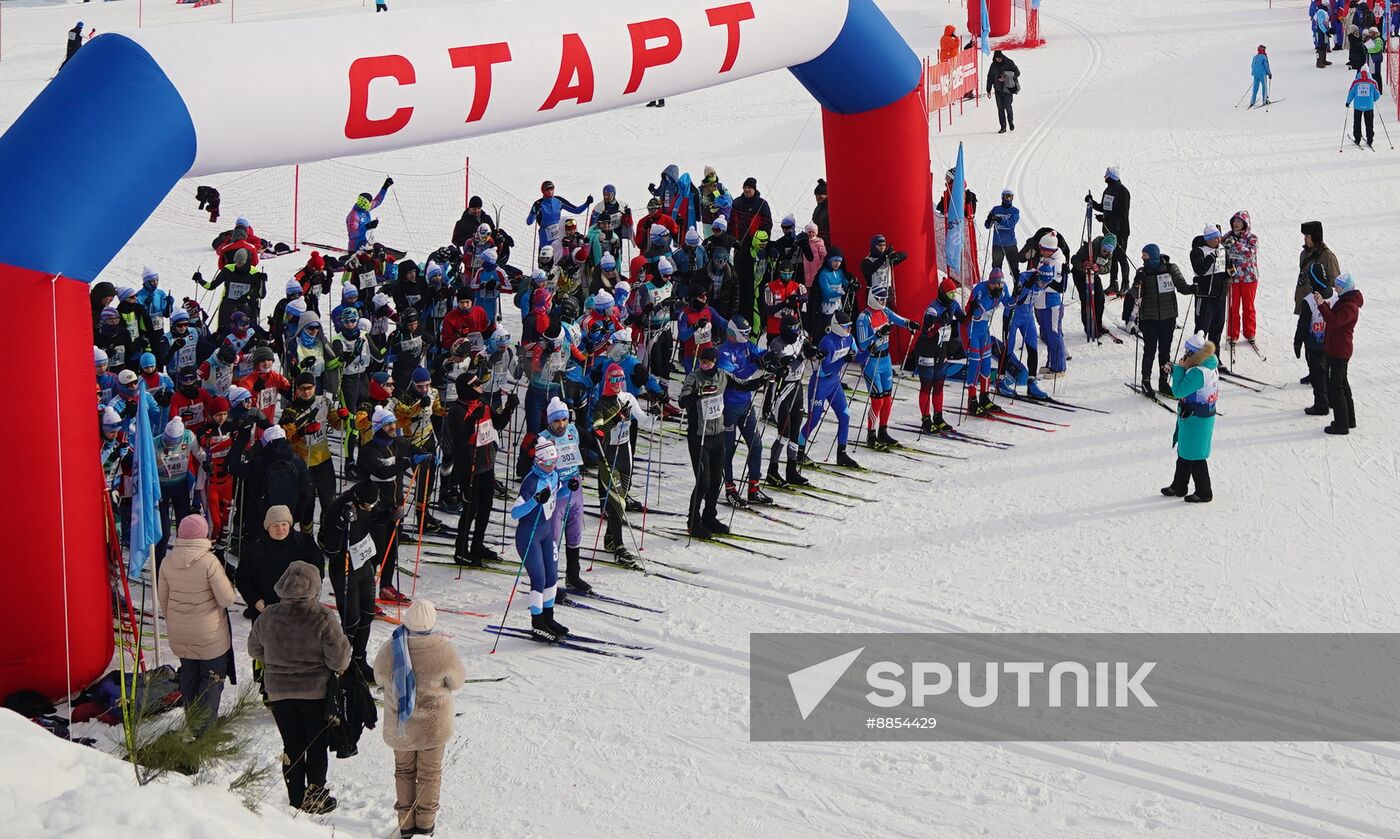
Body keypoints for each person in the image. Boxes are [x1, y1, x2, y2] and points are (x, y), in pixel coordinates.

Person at [247, 561, 352, 814]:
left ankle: (295, 799)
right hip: (315, 693)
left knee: (292, 746)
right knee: (316, 745)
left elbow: (254, 649)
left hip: (279, 693)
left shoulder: (268, 615)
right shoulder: (322, 617)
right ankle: (315, 796)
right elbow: (338, 659)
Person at [372, 599, 464, 839]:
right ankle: (425, 825)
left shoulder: (391, 648)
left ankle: (405, 824)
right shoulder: (443, 649)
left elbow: (380, 678)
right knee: (429, 774)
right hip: (432, 729)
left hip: (400, 728)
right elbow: (457, 682)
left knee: (403, 772)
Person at [679, 346, 770, 537]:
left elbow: (743, 384)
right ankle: (692, 522)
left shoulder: (723, 376)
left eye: (708, 362)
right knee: (703, 481)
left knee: (716, 481)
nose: (704, 365)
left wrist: (762, 380)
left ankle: (709, 517)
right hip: (699, 436)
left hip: (718, 435)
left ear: (715, 362)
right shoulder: (694, 378)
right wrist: (698, 393)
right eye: (702, 362)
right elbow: (682, 401)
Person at [158, 515, 236, 736]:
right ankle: (204, 732)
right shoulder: (209, 562)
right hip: (209, 636)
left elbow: (162, 598)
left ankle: (193, 723)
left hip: (180, 633)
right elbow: (227, 599)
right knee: (211, 681)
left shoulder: (167, 561)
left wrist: (175, 621)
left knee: (190, 678)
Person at [447, 371, 518, 565]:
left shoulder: (482, 404)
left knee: (486, 506)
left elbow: (498, 424)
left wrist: (510, 407)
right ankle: (460, 550)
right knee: (471, 509)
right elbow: (459, 442)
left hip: (486, 464)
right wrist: (471, 422)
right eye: (476, 384)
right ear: (467, 389)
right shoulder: (456, 410)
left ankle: (477, 544)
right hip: (468, 468)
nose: (480, 385)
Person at [511, 441, 568, 641]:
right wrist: (535, 500)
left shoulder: (554, 474)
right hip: (529, 535)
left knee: (552, 577)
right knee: (539, 579)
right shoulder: (531, 481)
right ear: (538, 461)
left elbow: (558, 492)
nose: (551, 467)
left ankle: (548, 618)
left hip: (546, 532)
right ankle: (537, 624)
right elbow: (515, 513)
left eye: (554, 462)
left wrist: (569, 488)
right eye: (547, 463)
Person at [716, 319, 772, 505]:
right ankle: (730, 489)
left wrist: (773, 357)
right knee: (728, 450)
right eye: (744, 333)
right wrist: (757, 366)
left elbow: (763, 353)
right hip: (728, 408)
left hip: (746, 405)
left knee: (756, 445)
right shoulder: (722, 352)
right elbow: (738, 378)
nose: (747, 337)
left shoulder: (746, 345)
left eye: (749, 333)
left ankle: (754, 488)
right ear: (733, 332)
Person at [1161, 332, 1218, 503]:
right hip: (1195, 416)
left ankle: (1204, 491)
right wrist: (1178, 368)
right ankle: (1179, 485)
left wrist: (1178, 370)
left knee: (1195, 454)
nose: (1184, 355)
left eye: (1187, 353)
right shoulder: (1207, 364)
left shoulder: (1198, 373)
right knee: (1185, 451)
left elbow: (1178, 392)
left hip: (1196, 418)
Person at [237, 504, 322, 620]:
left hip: (301, 612)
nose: (280, 529)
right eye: (275, 525)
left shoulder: (304, 544)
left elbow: (318, 571)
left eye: (284, 524)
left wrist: (311, 596)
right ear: (268, 527)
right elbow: (242, 578)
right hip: (267, 613)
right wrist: (255, 601)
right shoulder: (256, 550)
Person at [854, 286, 916, 445]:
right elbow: (862, 344)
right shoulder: (863, 318)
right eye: (879, 299)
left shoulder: (885, 312)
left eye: (884, 299)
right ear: (872, 298)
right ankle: (871, 434)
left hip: (885, 360)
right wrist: (878, 334)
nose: (882, 302)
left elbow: (899, 320)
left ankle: (883, 431)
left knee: (887, 398)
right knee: (877, 400)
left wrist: (909, 324)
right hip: (872, 362)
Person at [800, 311, 861, 466]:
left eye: (850, 327)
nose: (849, 330)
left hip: (833, 383)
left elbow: (859, 356)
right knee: (813, 419)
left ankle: (842, 454)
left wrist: (871, 348)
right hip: (820, 384)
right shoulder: (827, 342)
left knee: (845, 416)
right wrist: (844, 359)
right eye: (846, 327)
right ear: (838, 327)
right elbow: (825, 369)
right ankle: (799, 451)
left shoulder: (849, 339)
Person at [764, 315, 817, 487]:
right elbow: (786, 369)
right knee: (784, 433)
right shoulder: (776, 344)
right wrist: (802, 356)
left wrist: (812, 351)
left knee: (795, 432)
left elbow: (810, 351)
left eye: (797, 329)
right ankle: (772, 471)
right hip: (782, 390)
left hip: (797, 388)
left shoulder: (801, 338)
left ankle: (791, 470)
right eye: (793, 330)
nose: (797, 333)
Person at [1131, 244, 1189, 396]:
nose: (1143, 259)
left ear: (1154, 255)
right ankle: (1146, 381)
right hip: (1149, 318)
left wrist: (1192, 288)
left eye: (1145, 256)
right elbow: (1134, 294)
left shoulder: (1170, 268)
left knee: (1165, 352)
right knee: (1149, 350)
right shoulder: (1143, 271)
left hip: (1168, 316)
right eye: (1142, 256)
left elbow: (1181, 285)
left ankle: (1163, 381)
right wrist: (1138, 282)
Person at [913, 278, 965, 434]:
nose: (953, 298)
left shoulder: (953, 304)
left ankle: (938, 417)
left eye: (954, 294)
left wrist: (974, 309)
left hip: (941, 349)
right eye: (950, 294)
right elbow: (928, 333)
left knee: (939, 385)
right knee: (927, 386)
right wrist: (941, 321)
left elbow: (963, 319)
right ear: (942, 293)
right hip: (926, 349)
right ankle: (926, 419)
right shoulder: (932, 310)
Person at [1317, 272, 1363, 434]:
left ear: (1345, 288)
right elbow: (1335, 318)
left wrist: (1322, 305)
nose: (1335, 289)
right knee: (1342, 384)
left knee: (1336, 387)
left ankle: (1341, 424)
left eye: (1338, 286)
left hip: (1339, 351)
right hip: (1337, 348)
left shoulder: (1349, 305)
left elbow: (1334, 321)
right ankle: (1349, 419)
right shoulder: (1345, 301)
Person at [964, 269, 1011, 416]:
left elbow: (1010, 304)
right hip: (972, 330)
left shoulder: (1002, 288)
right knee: (974, 365)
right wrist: (989, 297)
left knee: (986, 364)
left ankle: (984, 398)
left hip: (984, 331)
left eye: (998, 284)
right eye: (993, 285)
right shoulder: (980, 288)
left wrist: (1019, 294)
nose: (996, 287)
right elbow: (974, 314)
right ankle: (971, 401)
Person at [1087, 166, 1132, 294]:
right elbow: (1103, 207)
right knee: (1111, 257)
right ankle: (1113, 284)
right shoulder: (1108, 191)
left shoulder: (1123, 192)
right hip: (1108, 230)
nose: (1104, 177)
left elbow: (1122, 215)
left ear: (1111, 176)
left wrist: (1106, 217)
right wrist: (1092, 202)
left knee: (1121, 257)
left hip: (1120, 231)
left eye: (1106, 175)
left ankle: (1126, 283)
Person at [1188, 225, 1230, 358]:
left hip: (1220, 296)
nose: (1219, 240)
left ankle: (1214, 358)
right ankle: (1195, 357)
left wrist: (1231, 274)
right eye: (1215, 238)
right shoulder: (1198, 251)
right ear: (1208, 239)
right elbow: (1200, 270)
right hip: (1205, 297)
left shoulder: (1222, 250)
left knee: (1217, 330)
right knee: (1201, 330)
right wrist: (1212, 257)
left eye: (1219, 237)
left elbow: (1230, 267)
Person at [1298, 263, 1334, 416]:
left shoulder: (1309, 300)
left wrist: (1297, 342)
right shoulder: (1335, 295)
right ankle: (1331, 400)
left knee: (1318, 376)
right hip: (1331, 342)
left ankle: (1321, 405)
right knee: (1329, 373)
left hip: (1314, 345)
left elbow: (1303, 325)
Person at [1223, 211, 1260, 353]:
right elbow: (1220, 248)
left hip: (1249, 278)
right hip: (1233, 277)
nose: (1235, 224)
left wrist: (1236, 244)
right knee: (1233, 306)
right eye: (1234, 221)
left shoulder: (1252, 238)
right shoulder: (1228, 236)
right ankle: (1232, 334)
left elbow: (1250, 253)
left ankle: (1250, 332)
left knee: (1248, 306)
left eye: (1239, 221)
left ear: (1245, 223)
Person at [348, 179, 393, 253]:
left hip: (366, 246)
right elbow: (352, 235)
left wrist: (385, 187)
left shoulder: (365, 208)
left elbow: (377, 201)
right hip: (355, 250)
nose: (371, 205)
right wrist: (367, 226)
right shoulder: (354, 216)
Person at [984, 190, 1022, 277]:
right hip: (997, 245)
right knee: (996, 269)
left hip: (1010, 245)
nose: (1008, 199)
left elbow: (1011, 224)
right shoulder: (996, 209)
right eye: (1006, 196)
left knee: (1014, 270)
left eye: (1010, 197)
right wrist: (989, 219)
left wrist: (1000, 219)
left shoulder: (1015, 211)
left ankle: (1017, 288)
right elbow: (987, 226)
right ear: (1002, 197)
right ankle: (996, 288)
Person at [985, 49, 1021, 133]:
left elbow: (1017, 73)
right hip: (997, 90)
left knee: (1008, 107)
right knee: (1000, 109)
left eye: (1000, 58)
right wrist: (988, 90)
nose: (998, 60)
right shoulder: (993, 65)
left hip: (1008, 90)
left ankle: (1010, 122)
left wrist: (1007, 76)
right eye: (997, 58)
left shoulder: (1009, 62)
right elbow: (990, 77)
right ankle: (1003, 127)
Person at [1347, 68, 1380, 148]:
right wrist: (1373, 99)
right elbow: (1377, 95)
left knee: (1357, 122)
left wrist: (1348, 102)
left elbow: (1351, 93)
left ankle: (1357, 138)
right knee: (1369, 123)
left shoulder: (1356, 82)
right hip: (1369, 106)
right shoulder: (1372, 82)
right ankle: (1370, 139)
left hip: (1358, 106)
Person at [1314, 1, 1334, 68]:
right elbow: (1320, 24)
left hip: (1324, 31)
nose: (1329, 6)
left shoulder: (1325, 11)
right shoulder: (1320, 11)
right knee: (1320, 47)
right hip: (1320, 31)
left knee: (1324, 45)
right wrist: (1326, 31)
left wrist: (1329, 29)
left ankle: (1323, 60)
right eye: (1328, 5)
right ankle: (1319, 61)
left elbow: (1326, 22)